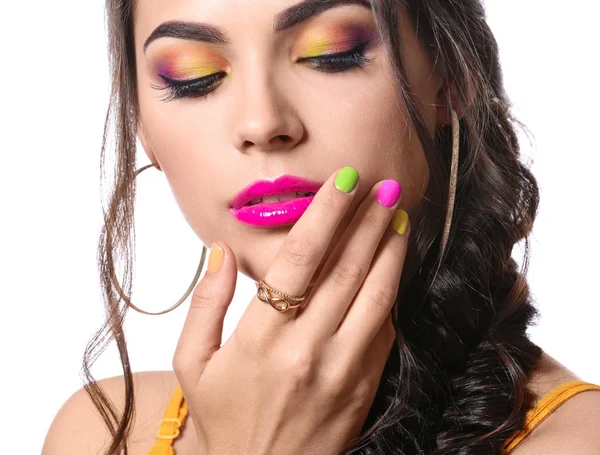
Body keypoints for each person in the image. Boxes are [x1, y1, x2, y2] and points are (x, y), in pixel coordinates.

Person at [42, 0, 600, 454]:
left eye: (332, 53)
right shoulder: (103, 433)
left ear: (452, 77)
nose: (263, 123)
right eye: (194, 77)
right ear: (145, 129)